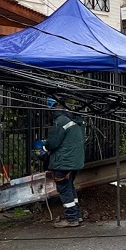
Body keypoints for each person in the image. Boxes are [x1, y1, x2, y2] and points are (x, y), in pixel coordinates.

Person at [43, 97, 85, 228]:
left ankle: (71, 218)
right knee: (69, 186)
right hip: (75, 160)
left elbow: (53, 142)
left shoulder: (60, 121)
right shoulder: (75, 119)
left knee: (64, 188)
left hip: (64, 161)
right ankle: (77, 215)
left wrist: (44, 147)